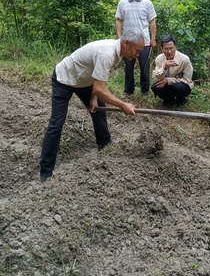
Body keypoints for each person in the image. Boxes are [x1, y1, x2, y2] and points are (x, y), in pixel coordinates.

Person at [39, 29, 145, 182]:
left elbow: (98, 80)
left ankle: (105, 145)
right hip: (64, 79)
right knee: (57, 123)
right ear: (126, 43)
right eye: (137, 50)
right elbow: (99, 88)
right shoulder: (107, 53)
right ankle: (46, 172)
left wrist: (94, 98)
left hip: (84, 81)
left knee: (99, 111)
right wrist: (122, 105)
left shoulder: (118, 53)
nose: (138, 54)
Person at [116, 0, 157, 96]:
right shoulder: (122, 3)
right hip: (127, 42)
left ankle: (145, 92)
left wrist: (153, 39)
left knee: (144, 68)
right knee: (128, 68)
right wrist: (119, 38)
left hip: (144, 42)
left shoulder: (147, 3)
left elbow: (152, 21)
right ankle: (128, 91)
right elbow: (119, 20)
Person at [151, 35, 194, 108]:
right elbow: (156, 78)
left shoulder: (184, 59)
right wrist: (164, 68)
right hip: (166, 86)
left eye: (171, 48)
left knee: (177, 87)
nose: (169, 51)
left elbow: (187, 80)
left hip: (181, 85)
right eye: (166, 49)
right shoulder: (159, 59)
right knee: (155, 87)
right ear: (162, 49)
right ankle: (168, 101)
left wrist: (169, 80)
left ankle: (181, 100)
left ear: (175, 47)